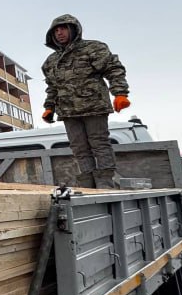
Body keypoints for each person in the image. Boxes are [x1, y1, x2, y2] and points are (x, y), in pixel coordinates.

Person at [40, 14, 130, 189]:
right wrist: (49, 107)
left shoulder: (93, 48)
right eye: (56, 31)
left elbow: (113, 69)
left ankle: (105, 183)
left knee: (99, 144)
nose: (59, 33)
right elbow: (52, 86)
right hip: (68, 111)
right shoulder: (51, 61)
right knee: (79, 148)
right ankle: (88, 184)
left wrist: (120, 93)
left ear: (73, 29)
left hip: (93, 106)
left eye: (63, 29)